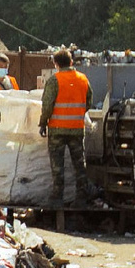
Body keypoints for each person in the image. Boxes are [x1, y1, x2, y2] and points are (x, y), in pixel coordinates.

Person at [39, 48, 93, 206]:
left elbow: (47, 105)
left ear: (56, 64)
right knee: (79, 164)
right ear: (71, 62)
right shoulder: (83, 79)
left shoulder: (54, 80)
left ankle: (57, 197)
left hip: (57, 130)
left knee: (58, 165)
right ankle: (82, 197)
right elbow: (88, 102)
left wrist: (43, 123)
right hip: (77, 128)